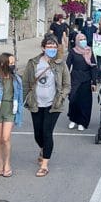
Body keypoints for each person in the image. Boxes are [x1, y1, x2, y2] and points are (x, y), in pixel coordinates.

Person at [24, 35, 71, 177]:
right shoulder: (33, 63)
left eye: (54, 47)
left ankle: (44, 165)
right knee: (38, 134)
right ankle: (43, 148)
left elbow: (67, 84)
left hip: (53, 104)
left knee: (47, 132)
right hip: (36, 103)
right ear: (43, 48)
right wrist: (21, 101)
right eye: (49, 47)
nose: (52, 49)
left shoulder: (61, 64)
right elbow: (26, 83)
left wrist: (62, 96)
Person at [0, 52, 23, 178]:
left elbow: (20, 97)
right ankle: (0, 164)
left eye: (14, 63)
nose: (12, 65)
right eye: (10, 63)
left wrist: (19, 114)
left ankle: (7, 164)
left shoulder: (17, 79)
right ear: (3, 63)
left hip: (10, 110)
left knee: (6, 138)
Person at [66, 32, 99, 131]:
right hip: (75, 78)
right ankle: (73, 119)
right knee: (73, 99)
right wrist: (65, 79)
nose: (83, 41)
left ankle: (82, 122)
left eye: (84, 39)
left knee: (84, 101)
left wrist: (94, 81)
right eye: (80, 39)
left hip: (86, 78)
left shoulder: (89, 51)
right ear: (76, 41)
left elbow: (93, 66)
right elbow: (67, 66)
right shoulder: (73, 51)